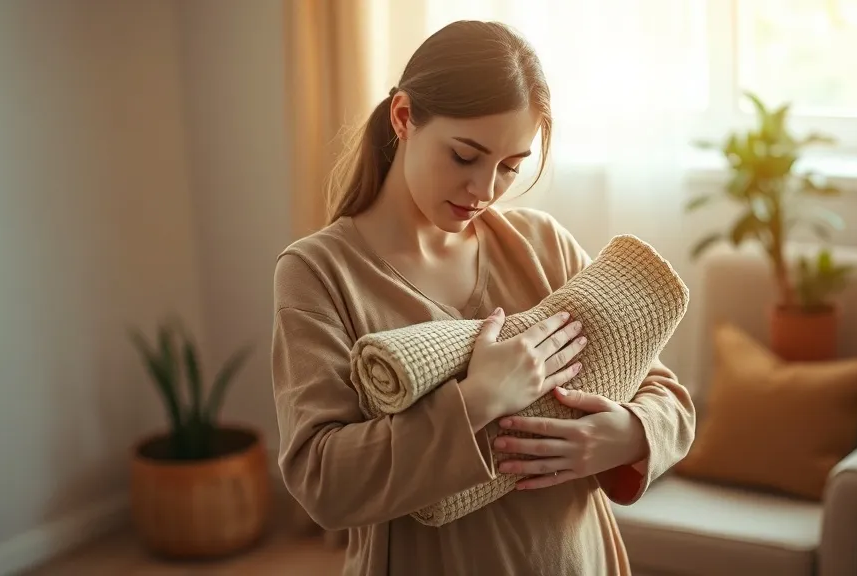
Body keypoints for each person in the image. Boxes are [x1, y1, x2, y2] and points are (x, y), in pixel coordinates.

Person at [271, 19, 696, 576]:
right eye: (465, 157)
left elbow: (668, 397)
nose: (485, 190)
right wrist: (478, 399)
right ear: (404, 117)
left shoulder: (543, 243)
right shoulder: (320, 272)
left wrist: (625, 435)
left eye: (510, 167)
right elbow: (322, 482)